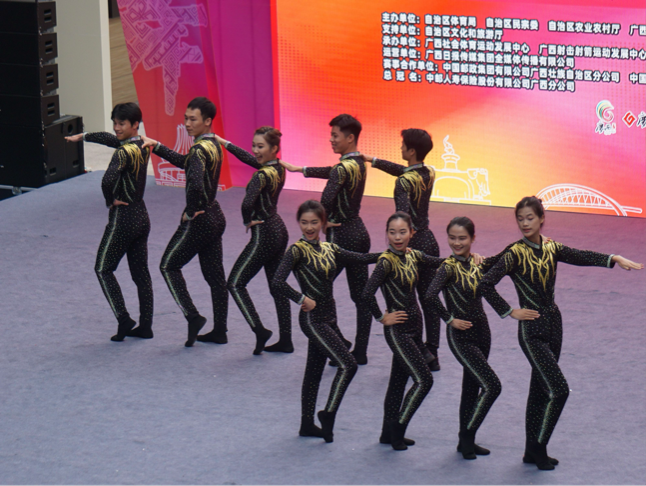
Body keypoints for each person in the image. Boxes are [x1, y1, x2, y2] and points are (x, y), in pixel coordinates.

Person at [479, 196, 643, 470]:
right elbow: (486, 283)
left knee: (540, 389)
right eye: (520, 219)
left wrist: (613, 258)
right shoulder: (515, 253)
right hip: (531, 330)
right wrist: (509, 311)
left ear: (541, 218)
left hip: (554, 324)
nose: (525, 223)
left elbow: (580, 256)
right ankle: (539, 448)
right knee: (559, 390)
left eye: (530, 218)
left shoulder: (552, 247)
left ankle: (530, 451)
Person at [271, 200, 381, 442]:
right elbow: (277, 282)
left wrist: (392, 254)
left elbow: (362, 258)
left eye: (314, 222)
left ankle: (306, 424)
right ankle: (328, 413)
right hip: (312, 320)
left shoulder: (331, 248)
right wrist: (301, 298)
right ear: (298, 223)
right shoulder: (296, 251)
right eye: (304, 222)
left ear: (323, 223)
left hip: (330, 317)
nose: (309, 227)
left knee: (314, 372)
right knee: (348, 365)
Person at [281, 114, 377, 365]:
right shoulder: (357, 162)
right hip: (359, 232)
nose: (331, 140)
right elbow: (334, 172)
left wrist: (323, 221)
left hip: (339, 237)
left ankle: (337, 343)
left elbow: (325, 199)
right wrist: (301, 170)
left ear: (350, 137)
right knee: (361, 297)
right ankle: (360, 351)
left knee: (317, 292)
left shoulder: (342, 168)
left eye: (335, 135)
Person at [141, 97, 228, 347]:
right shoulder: (212, 144)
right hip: (215, 215)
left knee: (168, 266)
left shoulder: (199, 149)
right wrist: (158, 146)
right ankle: (220, 330)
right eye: (185, 119)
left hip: (201, 220)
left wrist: (191, 211)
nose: (187, 124)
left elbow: (196, 184)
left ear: (207, 121)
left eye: (193, 119)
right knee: (216, 279)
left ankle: (192, 316)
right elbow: (186, 163)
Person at [362, 212, 451, 451]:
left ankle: (386, 433)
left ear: (412, 233)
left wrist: (468, 258)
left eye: (403, 232)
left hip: (415, 329)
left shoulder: (414, 255)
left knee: (397, 382)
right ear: (387, 233)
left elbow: (441, 262)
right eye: (392, 232)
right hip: (398, 332)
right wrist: (382, 317)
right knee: (424, 380)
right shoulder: (385, 262)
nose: (397, 237)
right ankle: (397, 430)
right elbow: (367, 293)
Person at [65, 102, 153, 342]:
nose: (116, 128)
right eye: (114, 123)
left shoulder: (123, 152)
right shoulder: (143, 145)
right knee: (141, 275)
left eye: (121, 124)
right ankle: (146, 326)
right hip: (142, 215)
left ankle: (124, 319)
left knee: (103, 269)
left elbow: (107, 180)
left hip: (123, 219)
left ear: (135, 124)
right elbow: (108, 139)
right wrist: (83, 136)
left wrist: (110, 200)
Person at [204, 128, 292, 355]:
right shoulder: (278, 168)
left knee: (235, 283)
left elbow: (247, 203)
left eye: (260, 146)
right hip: (279, 229)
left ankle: (260, 330)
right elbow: (248, 158)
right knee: (276, 286)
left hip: (264, 234)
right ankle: (286, 340)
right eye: (254, 145)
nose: (255, 150)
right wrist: (224, 142)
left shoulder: (260, 176)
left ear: (274, 148)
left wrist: (247, 220)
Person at [425, 217, 507, 459]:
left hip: (483, 332)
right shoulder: (447, 267)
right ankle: (466, 436)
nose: (456, 243)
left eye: (462, 238)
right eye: (452, 238)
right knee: (492, 386)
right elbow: (430, 296)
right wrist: (449, 319)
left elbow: (504, 257)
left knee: (471, 387)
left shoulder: (478, 263)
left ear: (473, 238)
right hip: (460, 337)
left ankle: (466, 442)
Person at [363, 128, 442, 370]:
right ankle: (432, 354)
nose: (400, 148)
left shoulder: (403, 183)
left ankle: (415, 350)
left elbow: (402, 217)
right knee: (429, 299)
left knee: (407, 301)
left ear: (411, 150)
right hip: (429, 240)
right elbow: (405, 171)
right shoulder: (429, 171)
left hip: (411, 246)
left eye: (403, 146)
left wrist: (398, 239)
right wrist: (373, 160)